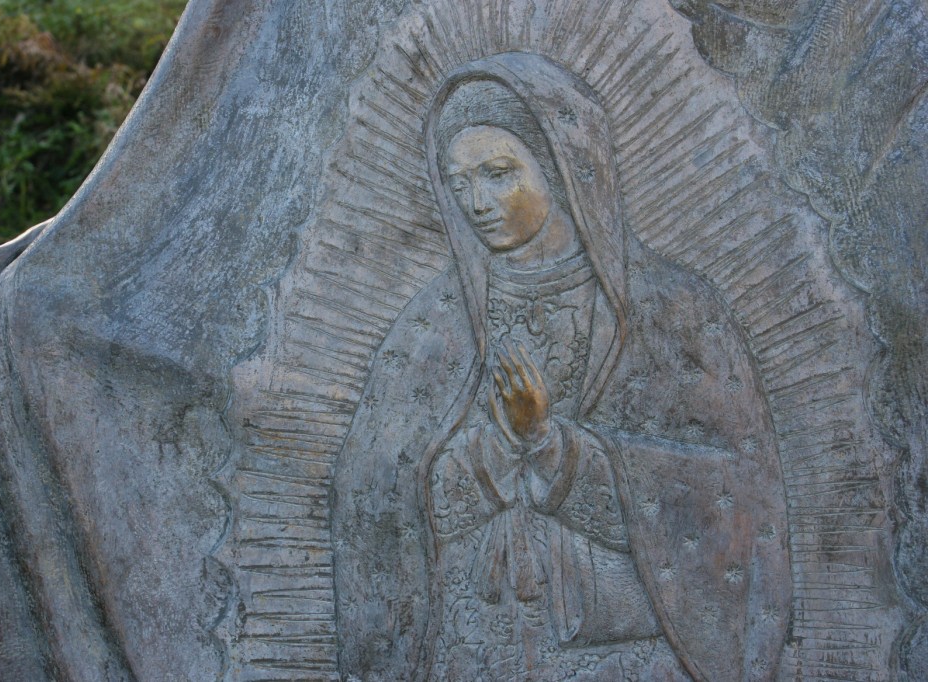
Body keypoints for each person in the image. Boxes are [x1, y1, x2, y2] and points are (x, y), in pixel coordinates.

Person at [333, 53, 791, 681]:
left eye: (498, 173)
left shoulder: (671, 308)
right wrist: (493, 455)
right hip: (474, 651)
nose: (476, 202)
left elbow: (739, 494)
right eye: (458, 181)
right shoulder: (434, 322)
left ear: (563, 168)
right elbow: (376, 490)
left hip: (623, 652)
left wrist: (554, 449)